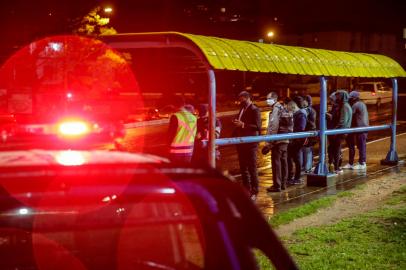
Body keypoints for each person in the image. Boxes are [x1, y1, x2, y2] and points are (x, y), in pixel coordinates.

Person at [233, 91, 261, 200]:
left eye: (241, 100)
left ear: (247, 98)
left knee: (252, 167)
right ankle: (246, 188)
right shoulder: (242, 109)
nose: (240, 102)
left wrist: (243, 125)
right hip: (241, 143)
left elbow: (257, 126)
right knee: (243, 168)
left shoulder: (255, 109)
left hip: (250, 143)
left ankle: (255, 190)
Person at [263, 92, 293, 192]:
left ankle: (277, 185)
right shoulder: (284, 107)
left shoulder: (276, 109)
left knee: (276, 163)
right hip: (285, 139)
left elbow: (274, 125)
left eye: (268, 98)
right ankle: (283, 184)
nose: (267, 100)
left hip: (277, 140)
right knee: (284, 162)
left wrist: (270, 142)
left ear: (274, 99)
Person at [342, 90, 369, 170]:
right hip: (364, 127)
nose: (350, 100)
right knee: (361, 145)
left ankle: (362, 163)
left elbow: (350, 116)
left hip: (361, 127)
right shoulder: (362, 104)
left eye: (351, 98)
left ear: (354, 98)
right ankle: (361, 162)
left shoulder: (355, 105)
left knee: (361, 145)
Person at [167, 96, 197, 164]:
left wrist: (167, 146)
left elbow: (170, 134)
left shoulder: (175, 116)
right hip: (189, 151)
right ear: (184, 104)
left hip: (176, 152)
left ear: (173, 105)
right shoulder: (194, 117)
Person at [330, 90, 352, 174]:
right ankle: (335, 166)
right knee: (335, 148)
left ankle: (336, 168)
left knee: (336, 149)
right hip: (342, 130)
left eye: (338, 96)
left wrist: (335, 130)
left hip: (341, 131)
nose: (337, 98)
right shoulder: (345, 105)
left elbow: (342, 121)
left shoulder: (344, 106)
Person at [287, 99, 307, 185]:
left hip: (297, 140)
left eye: (290, 109)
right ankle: (291, 176)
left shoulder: (301, 115)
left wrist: (292, 130)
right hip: (294, 139)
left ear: (293, 107)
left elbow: (301, 128)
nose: (289, 111)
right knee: (291, 158)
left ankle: (297, 177)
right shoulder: (297, 114)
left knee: (297, 159)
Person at [302, 95, 317, 173]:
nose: (303, 102)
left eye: (304, 100)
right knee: (309, 150)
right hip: (312, 132)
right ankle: (308, 167)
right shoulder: (312, 110)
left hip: (309, 132)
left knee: (307, 150)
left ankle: (307, 168)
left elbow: (309, 123)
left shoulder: (308, 110)